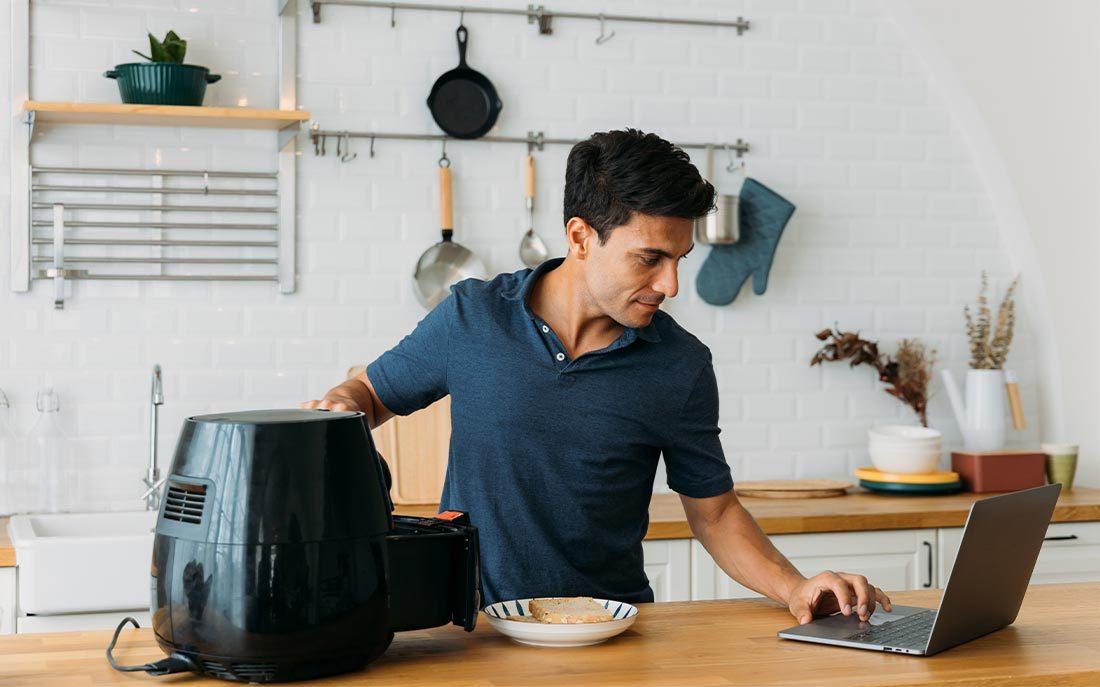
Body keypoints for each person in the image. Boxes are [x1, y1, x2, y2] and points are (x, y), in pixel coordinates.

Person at [302, 129, 892, 624]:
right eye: (649, 258)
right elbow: (372, 394)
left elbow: (714, 513)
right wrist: (339, 408)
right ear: (582, 237)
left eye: (679, 259)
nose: (671, 286)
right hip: (474, 627)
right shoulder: (471, 317)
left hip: (607, 632)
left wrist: (794, 588)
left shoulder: (680, 365)